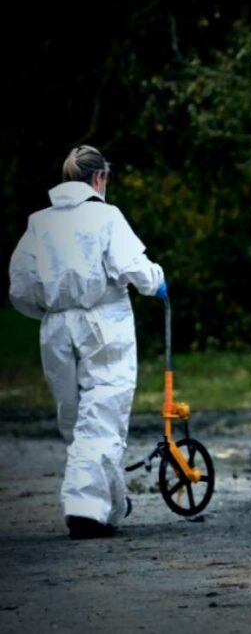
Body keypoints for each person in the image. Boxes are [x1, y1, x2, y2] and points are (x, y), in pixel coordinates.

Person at [8, 145, 167, 539]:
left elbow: (20, 287)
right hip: (103, 323)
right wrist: (156, 280)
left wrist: (51, 310)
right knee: (103, 414)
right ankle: (84, 508)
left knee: (76, 418)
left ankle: (110, 504)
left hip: (55, 327)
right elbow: (135, 269)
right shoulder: (106, 216)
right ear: (99, 178)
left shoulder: (39, 223)